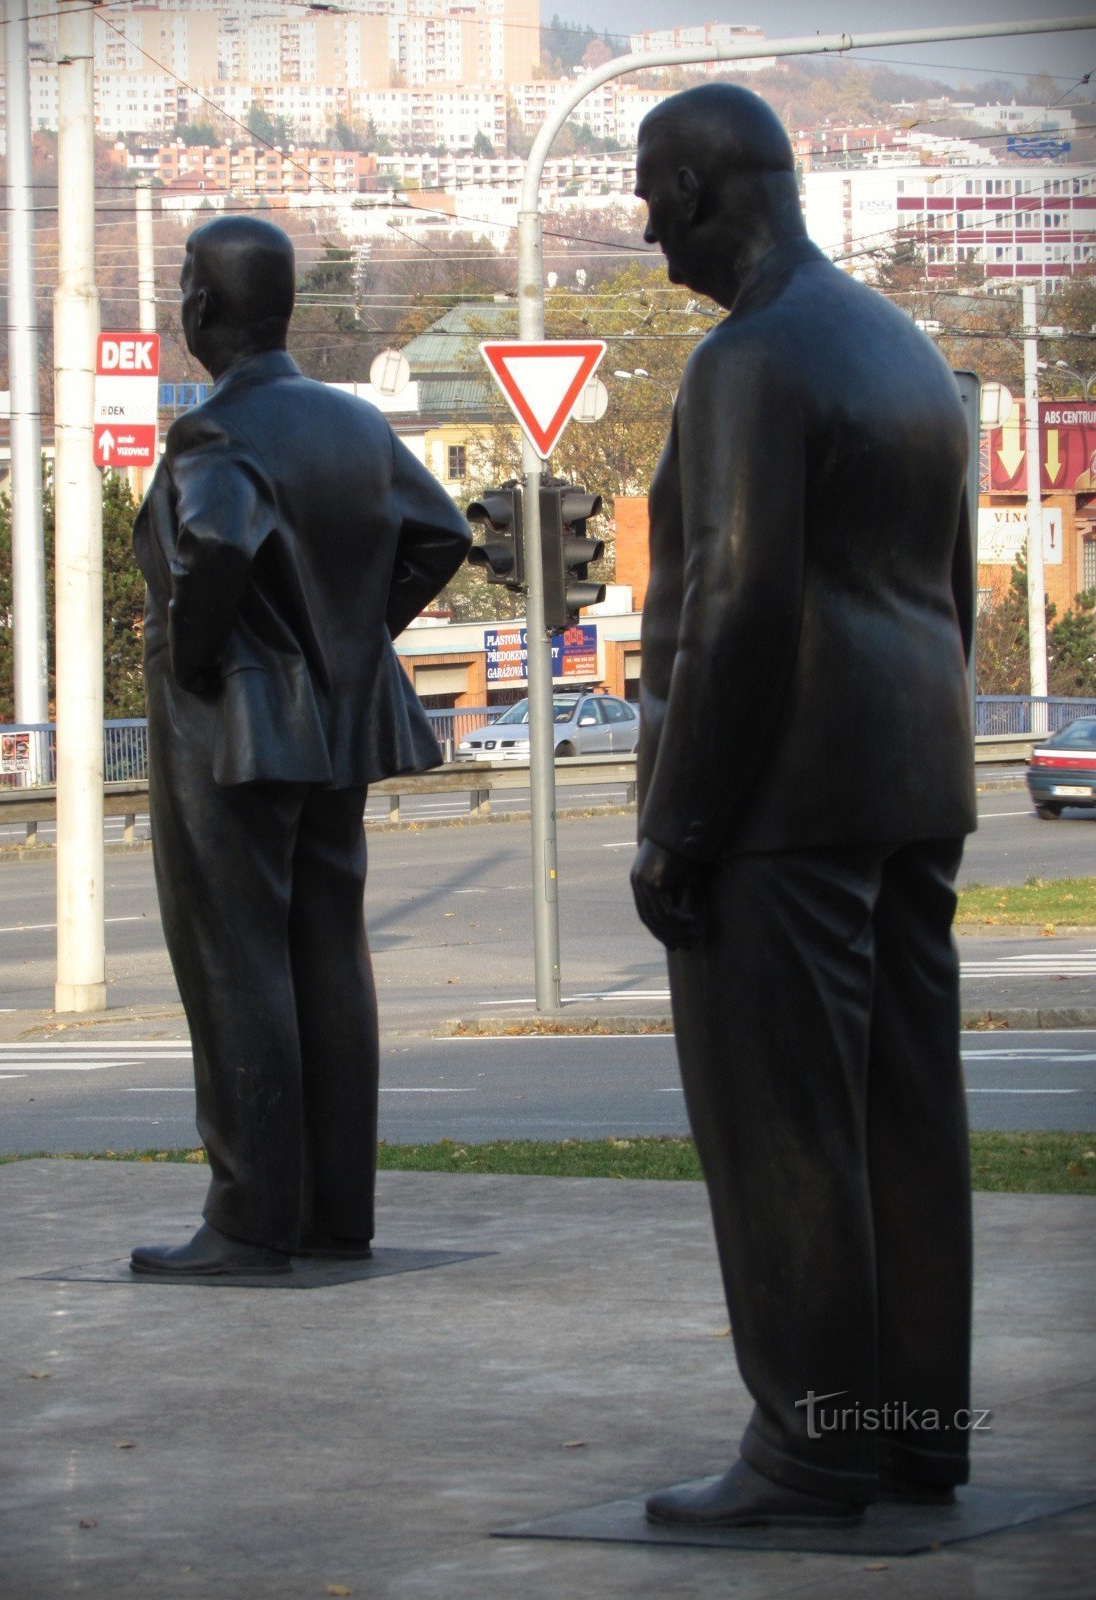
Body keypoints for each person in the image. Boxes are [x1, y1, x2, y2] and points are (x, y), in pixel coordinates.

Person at [629, 85, 977, 1527]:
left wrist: (680, 825)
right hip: (911, 772)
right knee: (904, 1115)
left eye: (655, 200)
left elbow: (740, 602)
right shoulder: (904, 350)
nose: (650, 234)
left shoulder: (748, 362)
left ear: (707, 191)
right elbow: (950, 588)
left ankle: (810, 1444)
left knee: (784, 1130)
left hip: (781, 795)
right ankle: (908, 1429)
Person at [130, 216, 470, 1277]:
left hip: (233, 729)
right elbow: (440, 532)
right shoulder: (351, 422)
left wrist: (198, 653)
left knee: (237, 960)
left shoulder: (212, 435)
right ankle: (333, 1210)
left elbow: (220, 542)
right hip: (337, 724)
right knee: (327, 950)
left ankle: (247, 1218)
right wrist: (351, 630)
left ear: (201, 309)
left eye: (187, 283)